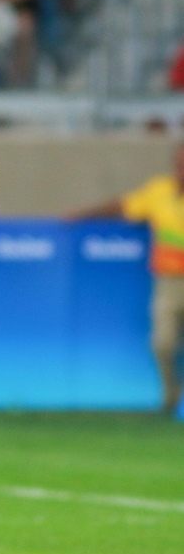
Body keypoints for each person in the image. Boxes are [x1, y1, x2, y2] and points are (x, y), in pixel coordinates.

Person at [67, 143, 184, 414]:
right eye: (179, 165)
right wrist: (82, 215)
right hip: (167, 282)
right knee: (163, 343)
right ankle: (171, 398)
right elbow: (124, 206)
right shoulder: (160, 191)